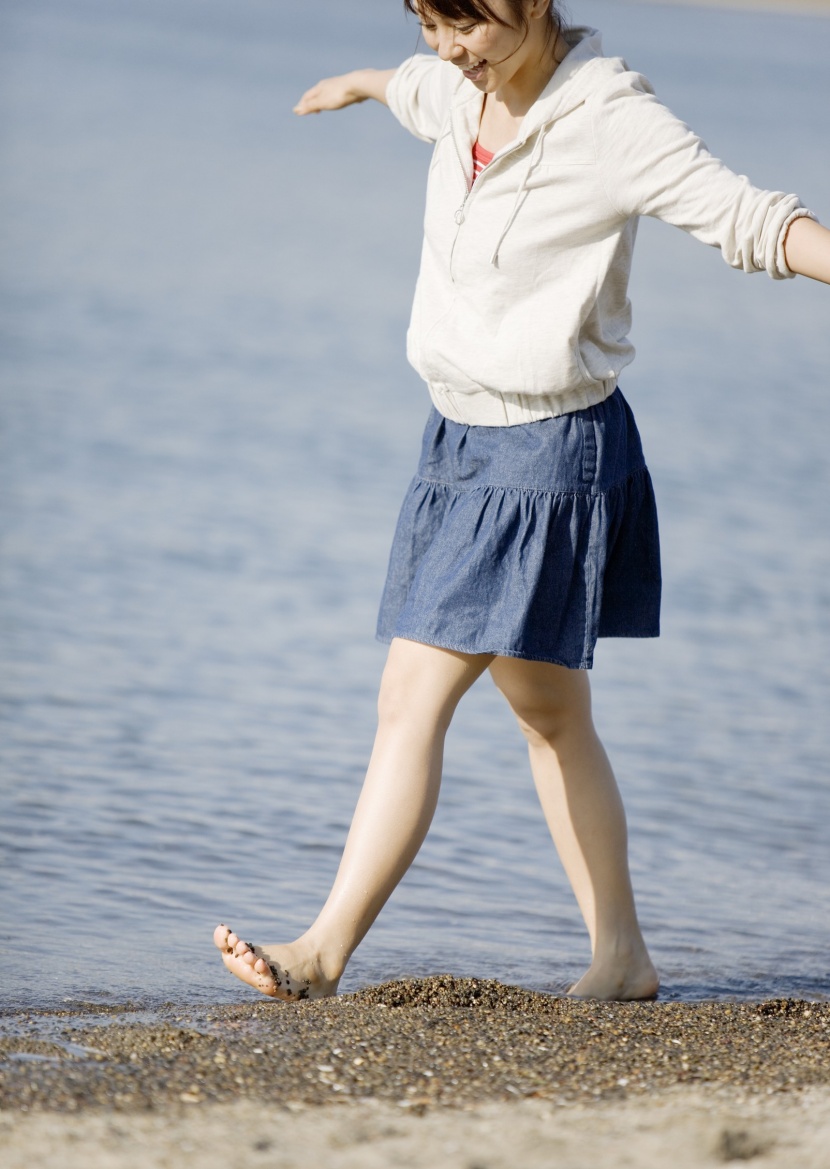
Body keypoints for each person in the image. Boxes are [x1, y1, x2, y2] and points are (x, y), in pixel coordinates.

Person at [214, 0, 830, 1003]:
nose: (451, 50)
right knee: (547, 715)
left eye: (470, 24)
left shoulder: (606, 117)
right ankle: (621, 954)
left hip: (543, 454)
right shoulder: (455, 87)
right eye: (427, 22)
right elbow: (411, 90)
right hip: (454, 444)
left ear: (535, 2)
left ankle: (322, 948)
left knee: (408, 698)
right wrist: (361, 84)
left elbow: (747, 217)